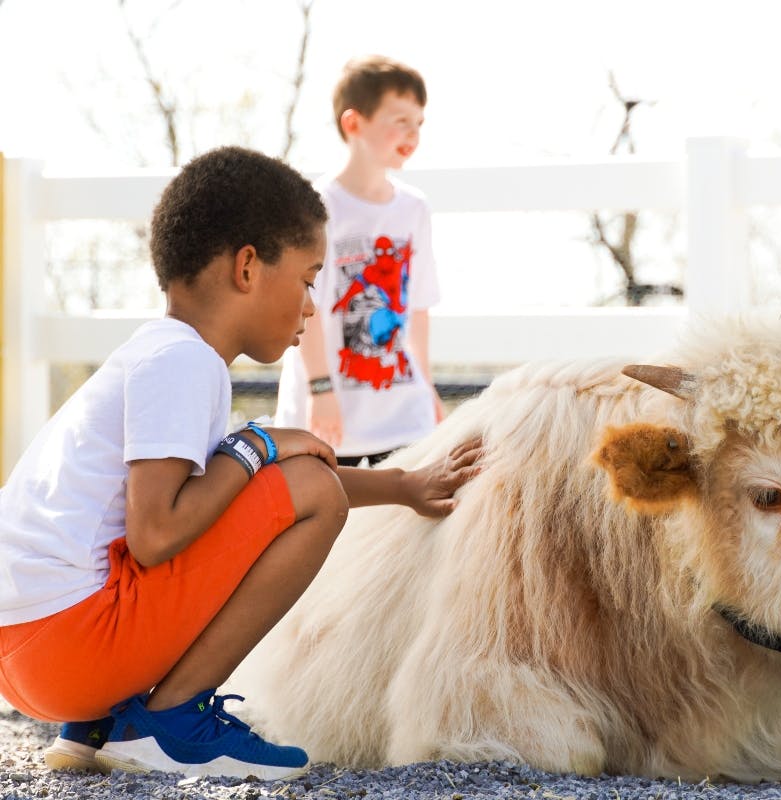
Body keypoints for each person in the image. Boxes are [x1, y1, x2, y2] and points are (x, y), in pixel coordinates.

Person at [0, 146, 482, 780]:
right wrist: (255, 444)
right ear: (248, 268)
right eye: (309, 280)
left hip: (31, 653)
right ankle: (173, 719)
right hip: (70, 648)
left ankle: (106, 725)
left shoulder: (154, 354)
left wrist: (401, 484)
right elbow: (158, 536)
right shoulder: (185, 363)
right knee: (311, 490)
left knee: (292, 480)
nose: (313, 307)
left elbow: (245, 500)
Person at [275, 55, 443, 467]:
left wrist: (427, 386)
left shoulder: (414, 209)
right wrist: (320, 389)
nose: (413, 133)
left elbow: (417, 307)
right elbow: (304, 306)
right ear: (354, 123)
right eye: (400, 120)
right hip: (331, 407)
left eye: (419, 123)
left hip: (402, 409)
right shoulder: (317, 207)